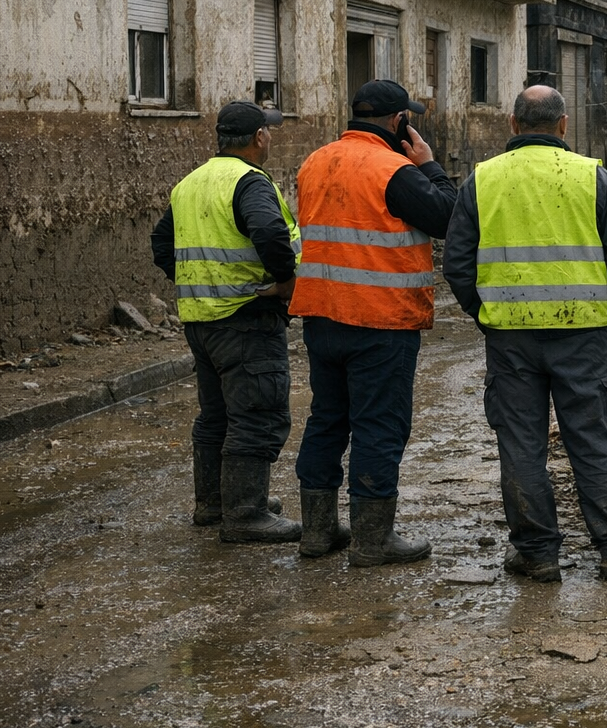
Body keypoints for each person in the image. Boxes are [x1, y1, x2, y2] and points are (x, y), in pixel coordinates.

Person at [443, 85, 607, 583]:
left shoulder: (482, 180)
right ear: (563, 126)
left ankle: (538, 555)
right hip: (585, 337)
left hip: (511, 340)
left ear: (513, 126)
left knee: (520, 445)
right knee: (596, 439)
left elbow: (457, 264)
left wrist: (488, 315)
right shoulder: (593, 177)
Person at [289, 80, 456, 566]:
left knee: (327, 419)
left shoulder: (314, 161)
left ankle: (317, 533)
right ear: (398, 121)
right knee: (378, 425)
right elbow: (447, 217)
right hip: (380, 320)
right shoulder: (395, 169)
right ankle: (371, 540)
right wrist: (428, 164)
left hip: (322, 315)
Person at [150, 101, 302, 544]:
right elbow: (271, 233)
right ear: (258, 137)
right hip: (245, 317)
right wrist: (285, 282)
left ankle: (214, 503)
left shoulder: (191, 183)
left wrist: (197, 281)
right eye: (268, 132)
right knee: (256, 413)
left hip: (201, 320)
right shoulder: (249, 182)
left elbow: (162, 242)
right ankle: (245, 514)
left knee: (217, 415)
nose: (270, 138)